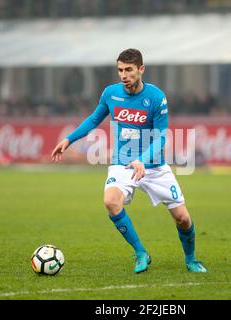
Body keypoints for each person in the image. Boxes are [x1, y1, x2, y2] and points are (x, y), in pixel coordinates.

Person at [51, 49, 207, 273]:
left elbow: (161, 136)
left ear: (141, 69)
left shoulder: (156, 97)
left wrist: (142, 160)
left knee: (182, 218)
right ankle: (141, 252)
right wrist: (69, 139)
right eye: (120, 70)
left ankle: (191, 259)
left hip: (154, 166)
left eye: (129, 70)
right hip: (122, 164)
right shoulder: (110, 93)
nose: (123, 75)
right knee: (111, 201)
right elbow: (94, 119)